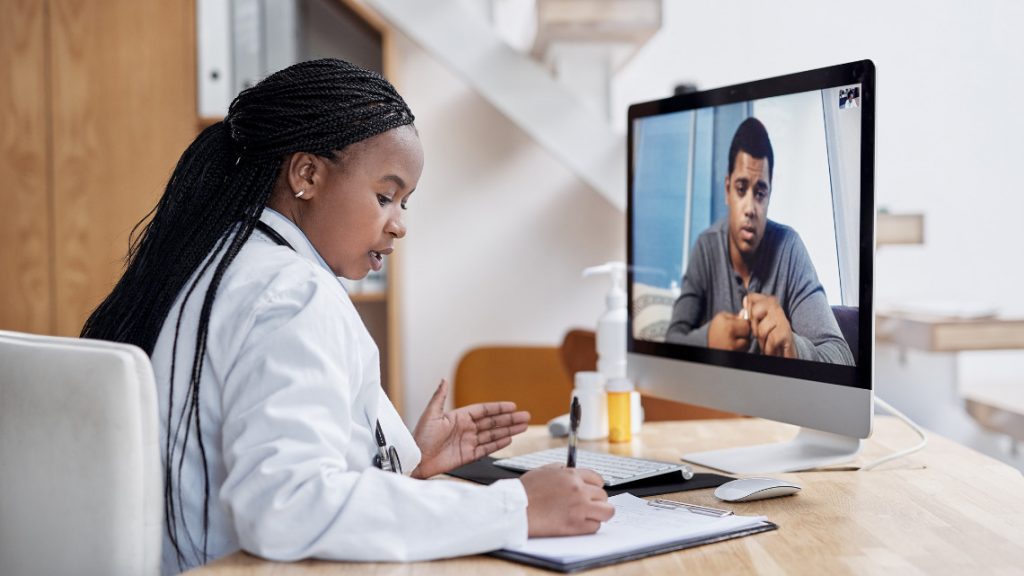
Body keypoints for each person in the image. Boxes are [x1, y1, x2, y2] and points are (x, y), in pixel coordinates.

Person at [81, 59, 613, 574]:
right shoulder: (291, 294)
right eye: (385, 195)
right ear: (307, 174)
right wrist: (516, 506)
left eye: (405, 203)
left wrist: (406, 458)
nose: (399, 224)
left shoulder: (228, 261)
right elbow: (286, 506)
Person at [665, 117, 854, 365]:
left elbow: (843, 357)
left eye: (760, 193)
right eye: (741, 189)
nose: (750, 208)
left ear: (769, 196)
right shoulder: (706, 247)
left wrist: (794, 347)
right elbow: (670, 342)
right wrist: (708, 339)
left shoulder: (790, 249)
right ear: (727, 190)